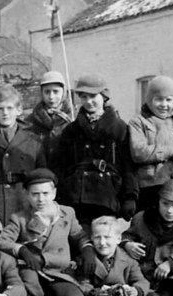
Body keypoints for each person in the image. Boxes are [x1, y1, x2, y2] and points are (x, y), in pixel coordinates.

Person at [0, 168, 93, 296]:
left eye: (45, 193)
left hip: (57, 271)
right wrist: (21, 249)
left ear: (54, 193)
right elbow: (1, 240)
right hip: (31, 270)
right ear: (26, 195)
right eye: (35, 194)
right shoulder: (20, 218)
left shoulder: (67, 213)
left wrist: (87, 248)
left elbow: (78, 235)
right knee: (29, 280)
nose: (40, 199)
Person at [56, 73, 138, 227]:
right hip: (77, 198)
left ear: (104, 96)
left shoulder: (119, 128)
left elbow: (127, 165)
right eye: (84, 97)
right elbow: (63, 166)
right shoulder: (71, 131)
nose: (89, 101)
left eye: (93, 96)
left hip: (108, 195)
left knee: (105, 242)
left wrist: (130, 196)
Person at [0, 84, 46, 225]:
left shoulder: (34, 140)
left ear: (19, 110)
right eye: (0, 108)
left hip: (24, 200)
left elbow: (42, 176)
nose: (5, 113)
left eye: (10, 108)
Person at [128, 75, 173, 213]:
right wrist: (172, 152)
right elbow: (139, 152)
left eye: (169, 100)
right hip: (149, 188)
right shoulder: (139, 122)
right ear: (149, 99)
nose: (164, 105)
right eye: (158, 99)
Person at [25, 71, 73, 176]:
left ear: (63, 92)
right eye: (47, 92)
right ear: (41, 93)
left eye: (56, 92)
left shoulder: (73, 119)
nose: (51, 97)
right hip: (41, 179)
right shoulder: (30, 122)